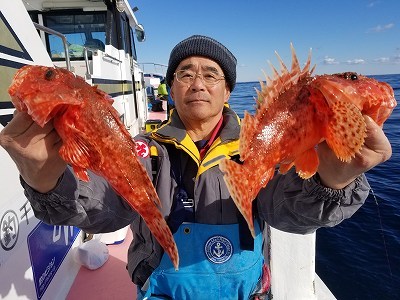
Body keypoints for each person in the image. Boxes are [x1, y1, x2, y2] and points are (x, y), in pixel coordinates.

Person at [0, 35, 392, 299]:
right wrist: (44, 178)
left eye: (211, 74)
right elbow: (101, 208)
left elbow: (288, 215)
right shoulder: (144, 150)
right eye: (185, 74)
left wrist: (335, 179)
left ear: (227, 90)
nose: (198, 83)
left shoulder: (259, 149)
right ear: (171, 88)